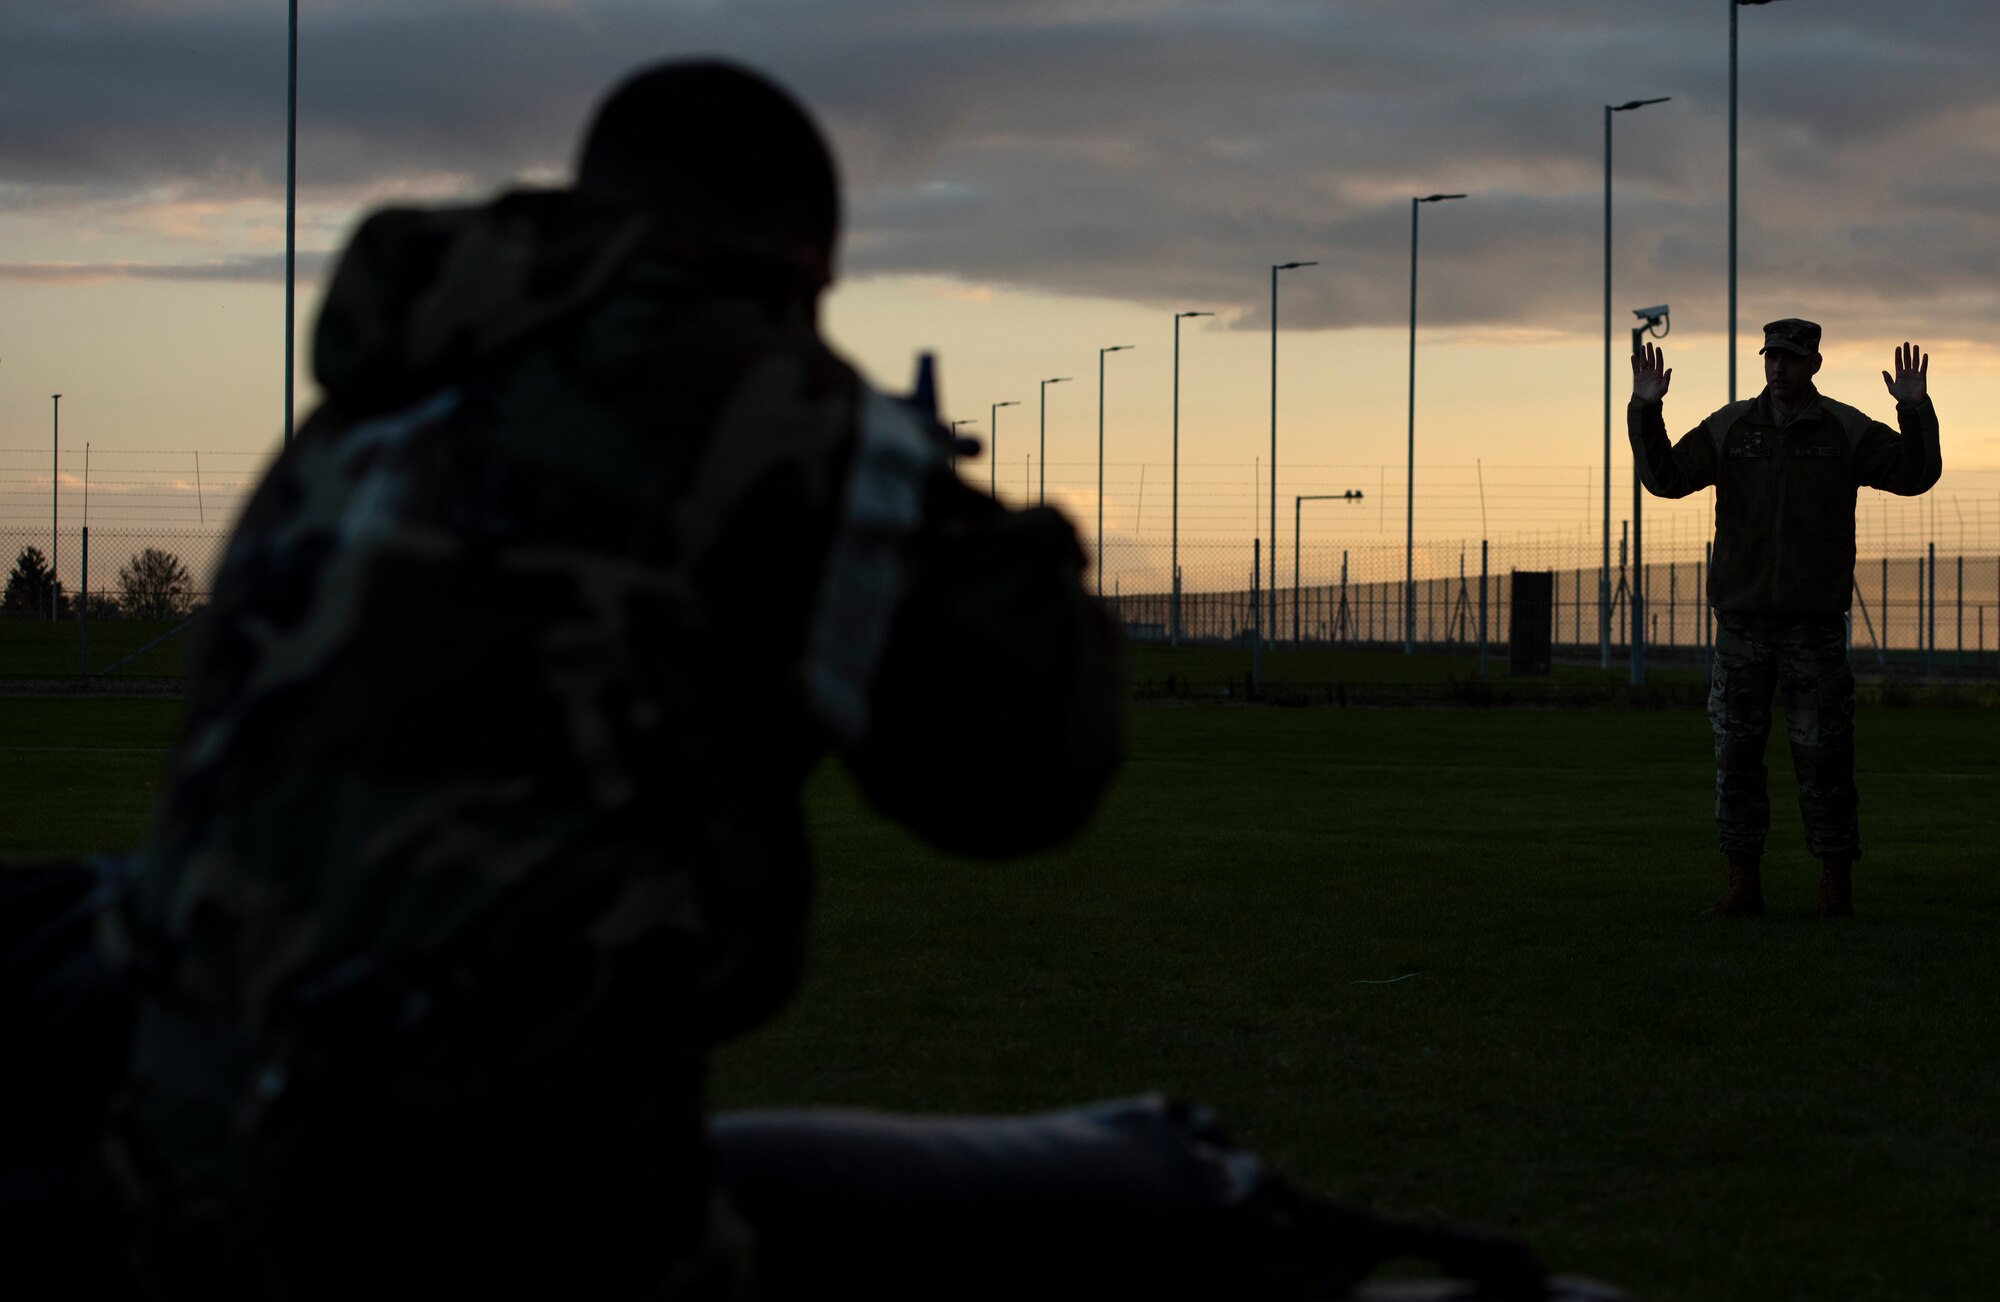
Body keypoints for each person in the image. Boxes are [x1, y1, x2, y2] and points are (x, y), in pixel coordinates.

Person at [1628, 320, 1940, 919]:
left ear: (1814, 364)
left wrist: (1915, 410)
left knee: (1825, 759)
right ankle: (1744, 883)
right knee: (1736, 761)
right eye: (1772, 356)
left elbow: (1914, 474)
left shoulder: (1842, 429)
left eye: (1793, 359)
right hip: (1742, 629)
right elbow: (1665, 477)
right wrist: (1647, 410)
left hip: (1812, 631)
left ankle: (1834, 883)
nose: (1780, 368)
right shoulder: (1732, 428)